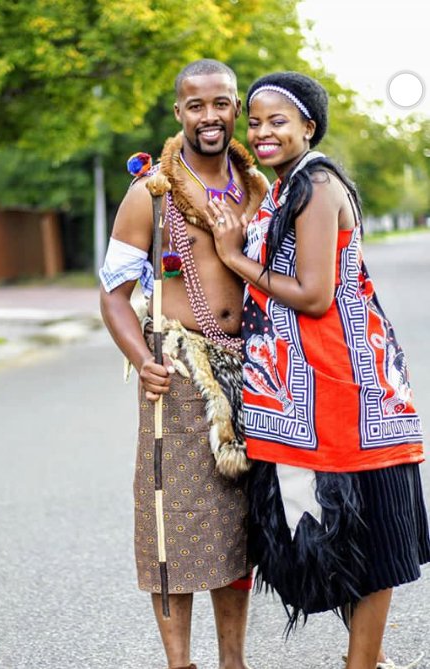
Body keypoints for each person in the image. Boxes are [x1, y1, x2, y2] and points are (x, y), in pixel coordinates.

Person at [204, 70, 430, 669]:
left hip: (343, 385)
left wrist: (234, 258)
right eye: (254, 122)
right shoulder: (284, 188)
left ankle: (364, 664)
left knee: (374, 538)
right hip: (300, 389)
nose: (262, 132)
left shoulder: (317, 187)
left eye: (278, 121)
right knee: (335, 535)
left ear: (309, 125)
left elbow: (313, 294)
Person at [99, 59, 268, 669]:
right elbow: (113, 293)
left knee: (238, 528)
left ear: (236, 107)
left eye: (221, 103)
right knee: (172, 521)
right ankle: (180, 665)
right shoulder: (152, 192)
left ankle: (233, 662)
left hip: (252, 373)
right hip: (180, 371)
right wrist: (142, 359)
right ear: (179, 113)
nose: (210, 116)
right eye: (196, 105)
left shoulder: (258, 189)